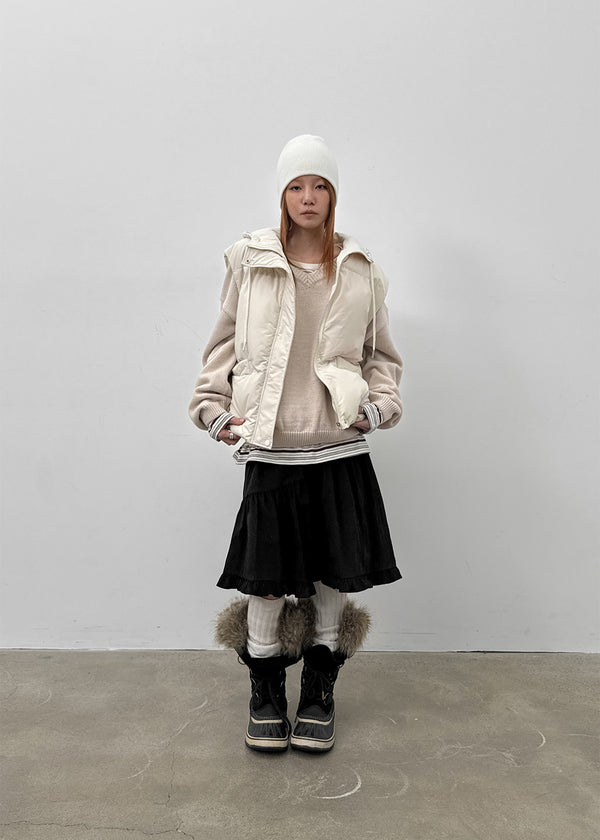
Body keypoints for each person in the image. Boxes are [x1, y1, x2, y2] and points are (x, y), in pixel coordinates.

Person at [189, 134, 403, 754]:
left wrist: (379, 406)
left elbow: (381, 356)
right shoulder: (249, 260)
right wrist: (212, 408)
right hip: (271, 444)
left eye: (320, 185)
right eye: (296, 186)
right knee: (265, 577)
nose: (308, 197)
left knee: (335, 572)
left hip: (338, 444)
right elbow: (224, 343)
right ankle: (264, 693)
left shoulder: (361, 268)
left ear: (333, 195)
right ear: (282, 194)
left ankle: (318, 693)